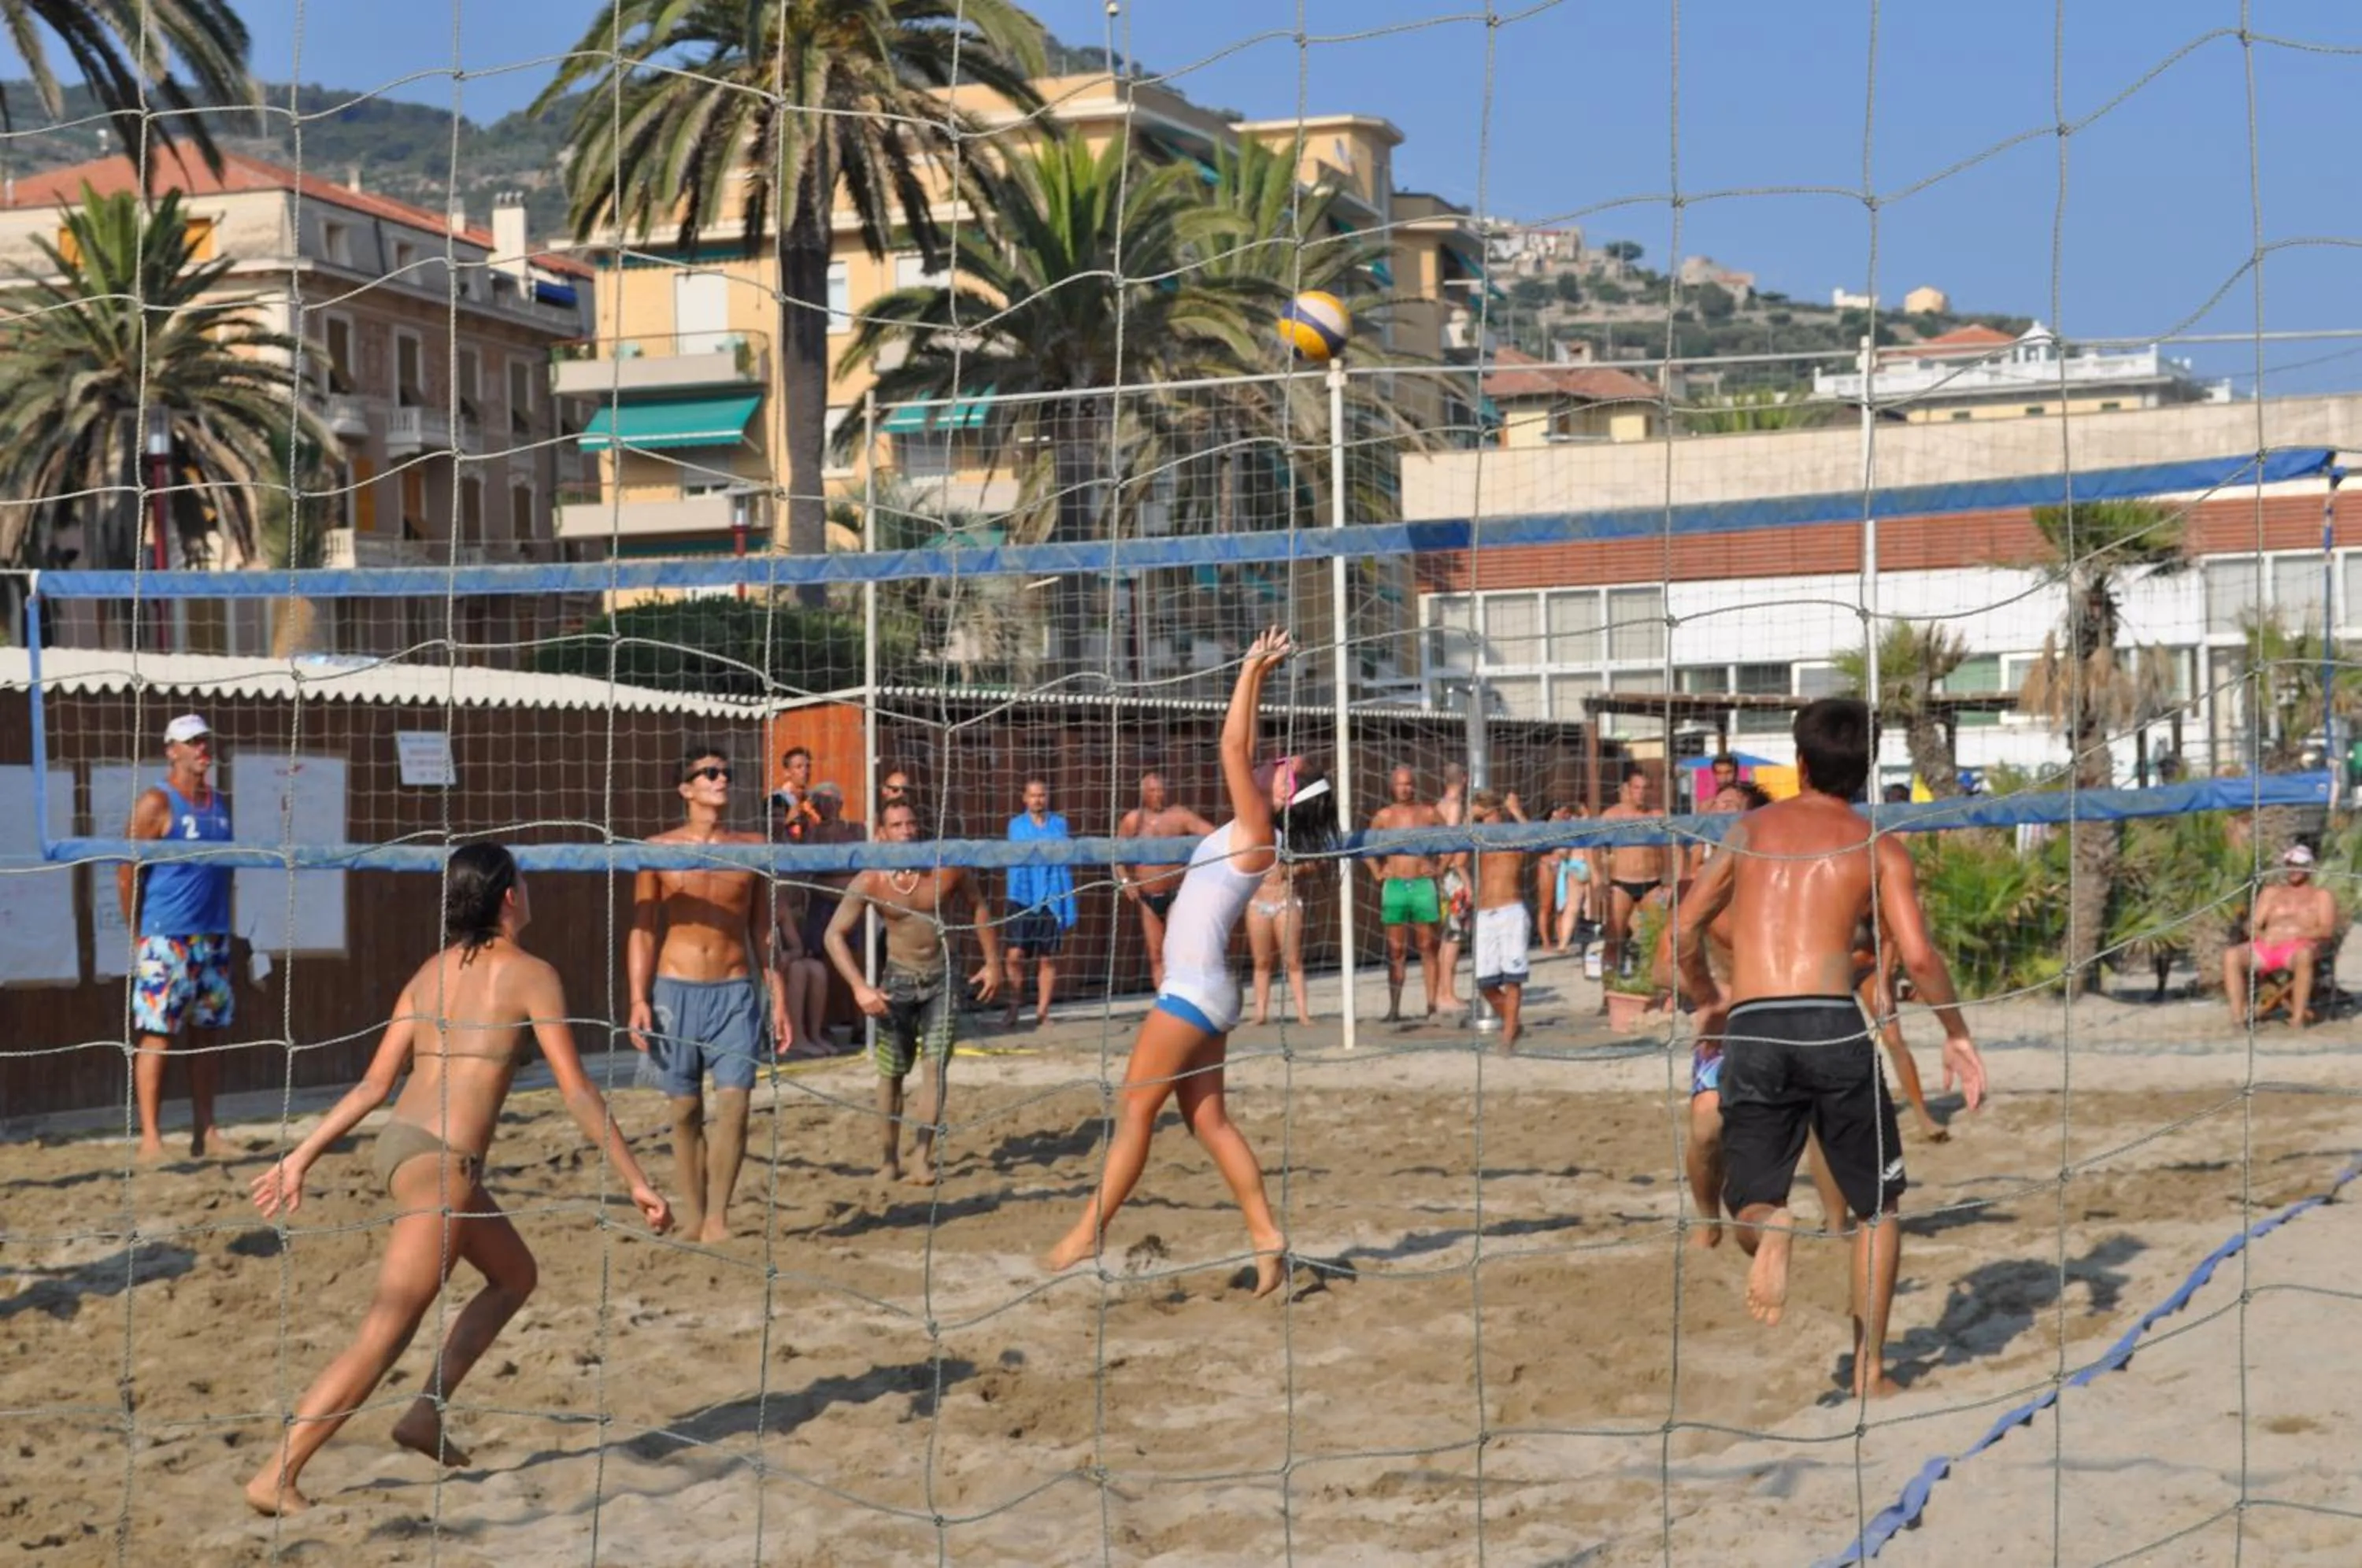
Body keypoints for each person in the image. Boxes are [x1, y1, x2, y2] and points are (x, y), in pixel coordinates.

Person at [241, 843, 671, 1516]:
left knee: (515, 1276)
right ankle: (278, 1472)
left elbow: (375, 1084)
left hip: (407, 1151)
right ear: (508, 896)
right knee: (385, 1329)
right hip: (443, 1168)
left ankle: (425, 1412)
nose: (529, 890)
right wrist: (637, 1179)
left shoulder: (431, 971)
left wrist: (302, 1156)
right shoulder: (532, 973)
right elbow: (578, 1089)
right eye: (523, 881)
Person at [1674, 697, 1985, 1400]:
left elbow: (1686, 924)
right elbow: (1919, 955)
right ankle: (1871, 1373)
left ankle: (1773, 1225)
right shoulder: (1877, 844)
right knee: (1879, 1208)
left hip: (1755, 1022)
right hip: (1833, 1021)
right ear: (1868, 768)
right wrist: (1957, 1034)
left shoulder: (1748, 829)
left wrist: (1706, 998)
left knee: (1752, 1197)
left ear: (1801, 763)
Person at [1045, 629, 1335, 1296]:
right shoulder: (1251, 824)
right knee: (1208, 1121)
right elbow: (1248, 747)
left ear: (1285, 795)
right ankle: (1267, 1239)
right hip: (1207, 990)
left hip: (1193, 990)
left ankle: (1088, 1232)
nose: (1271, 761)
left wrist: (1250, 665)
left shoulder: (1260, 831)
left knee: (1135, 1113)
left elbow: (1231, 746)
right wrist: (1259, 672)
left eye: (1283, 765)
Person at [628, 745, 789, 1244]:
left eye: (726, 773)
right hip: (674, 992)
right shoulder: (658, 848)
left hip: (736, 990)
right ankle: (695, 1215)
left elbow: (764, 932)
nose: (722, 780)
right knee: (683, 1110)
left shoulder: (753, 847)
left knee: (736, 1104)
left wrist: (777, 996)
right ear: (686, 788)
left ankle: (718, 1217)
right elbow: (643, 930)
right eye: (710, 773)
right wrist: (637, 997)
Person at [824, 801, 1001, 1185]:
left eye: (911, 823)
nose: (906, 830)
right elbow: (833, 934)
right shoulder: (872, 879)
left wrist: (992, 961)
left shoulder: (943, 867)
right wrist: (859, 987)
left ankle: (922, 1157)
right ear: (882, 833)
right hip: (898, 983)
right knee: (891, 1074)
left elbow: (978, 905)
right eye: (896, 824)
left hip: (942, 978)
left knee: (934, 1067)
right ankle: (888, 1159)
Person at [122, 713, 235, 1161]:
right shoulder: (156, 801)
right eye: (192, 743)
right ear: (172, 750)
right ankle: (151, 1138)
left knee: (208, 1035)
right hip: (166, 936)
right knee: (157, 1035)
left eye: (206, 741)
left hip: (213, 937)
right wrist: (137, 933)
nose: (202, 749)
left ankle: (206, 1131)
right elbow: (126, 868)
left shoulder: (220, 803)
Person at [2224, 844, 2341, 1028]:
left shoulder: (2321, 896)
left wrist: (2297, 934)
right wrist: (2262, 935)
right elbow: (2252, 924)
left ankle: (2297, 1018)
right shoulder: (2272, 893)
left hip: (2296, 949)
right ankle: (2238, 1019)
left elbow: (2327, 930)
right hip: (2266, 947)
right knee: (2232, 955)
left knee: (2304, 955)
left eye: (2299, 865)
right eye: (2290, 864)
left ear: (2309, 867)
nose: (2294, 869)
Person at [1116, 772, 1214, 992]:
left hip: (1176, 894)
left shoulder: (1179, 816)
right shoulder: (1134, 820)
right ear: (1143, 793)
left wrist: (1198, 871)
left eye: (1161, 790)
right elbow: (1116, 855)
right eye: (1152, 790)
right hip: (1147, 898)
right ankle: (1164, 998)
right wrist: (1125, 881)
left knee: (1177, 951)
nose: (1158, 795)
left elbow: (1212, 834)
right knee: (1156, 953)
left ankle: (1182, 994)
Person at [1369, 765, 1445, 1021]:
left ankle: (1432, 1006)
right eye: (1401, 784)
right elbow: (1366, 845)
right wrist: (1377, 871)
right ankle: (1394, 1008)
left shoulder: (1428, 813)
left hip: (1423, 886)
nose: (1405, 788)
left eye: (1409, 783)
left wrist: (1439, 867)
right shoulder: (1384, 816)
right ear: (1392, 786)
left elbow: (1454, 839)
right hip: (1396, 887)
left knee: (1428, 946)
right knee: (1396, 950)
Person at [1004, 779, 1078, 1030]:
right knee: (1015, 954)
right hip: (1022, 894)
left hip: (1051, 895)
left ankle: (1042, 1011)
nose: (1038, 800)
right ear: (1024, 798)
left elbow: (1063, 852)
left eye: (1042, 795)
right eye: (1033, 796)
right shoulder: (1016, 825)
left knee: (1047, 958)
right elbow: (1029, 851)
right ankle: (1013, 1007)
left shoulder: (1059, 823)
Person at [1592, 764, 1669, 994]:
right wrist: (1597, 878)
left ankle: (1652, 988)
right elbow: (1591, 846)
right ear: (1626, 788)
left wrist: (1670, 880)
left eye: (1645, 789)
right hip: (1621, 883)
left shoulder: (1657, 816)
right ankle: (1608, 992)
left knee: (1657, 938)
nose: (1641, 793)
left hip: (1652, 882)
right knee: (1614, 939)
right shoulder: (1612, 816)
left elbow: (1672, 848)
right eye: (1636, 788)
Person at [1468, 791, 1531, 1049]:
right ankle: (1513, 1023)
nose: (1485, 822)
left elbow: (1536, 838)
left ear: (1498, 812)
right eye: (1480, 818)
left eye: (1487, 815)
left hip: (1511, 910)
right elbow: (1455, 844)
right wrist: (1468, 818)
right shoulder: (1477, 838)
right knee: (1485, 983)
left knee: (1513, 979)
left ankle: (1507, 1037)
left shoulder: (1514, 835)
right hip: (1484, 913)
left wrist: (1516, 811)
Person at [1246, 851, 1315, 1028]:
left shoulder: (1292, 838)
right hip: (1258, 901)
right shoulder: (1253, 838)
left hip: (1286, 900)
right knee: (1261, 961)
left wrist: (1295, 869)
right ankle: (1260, 1013)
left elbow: (1319, 860)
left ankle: (1303, 1013)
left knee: (1293, 960)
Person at [1433, 764, 1471, 1015]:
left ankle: (1443, 991)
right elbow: (1450, 847)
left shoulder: (1438, 805)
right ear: (1465, 779)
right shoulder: (1455, 807)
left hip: (1446, 875)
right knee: (1453, 936)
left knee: (1449, 935)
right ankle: (1445, 993)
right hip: (1452, 878)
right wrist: (1454, 874)